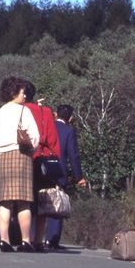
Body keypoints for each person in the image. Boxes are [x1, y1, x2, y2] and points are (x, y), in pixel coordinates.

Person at [0, 75, 40, 252]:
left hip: (1, 156)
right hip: (21, 155)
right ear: (15, 92)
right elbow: (34, 137)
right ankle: (25, 240)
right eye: (22, 92)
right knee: (23, 201)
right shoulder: (23, 110)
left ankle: (4, 240)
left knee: (4, 201)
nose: (24, 96)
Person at [24, 80, 62, 253]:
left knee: (25, 202)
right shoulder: (45, 111)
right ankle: (38, 239)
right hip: (45, 159)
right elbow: (53, 139)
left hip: (28, 159)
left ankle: (25, 237)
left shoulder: (22, 110)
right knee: (42, 202)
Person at [45, 104, 87, 250]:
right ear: (70, 117)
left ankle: (33, 237)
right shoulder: (69, 130)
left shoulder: (46, 126)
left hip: (42, 167)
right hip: (59, 170)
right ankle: (52, 239)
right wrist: (78, 176)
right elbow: (73, 155)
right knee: (56, 203)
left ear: (55, 114)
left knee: (38, 201)